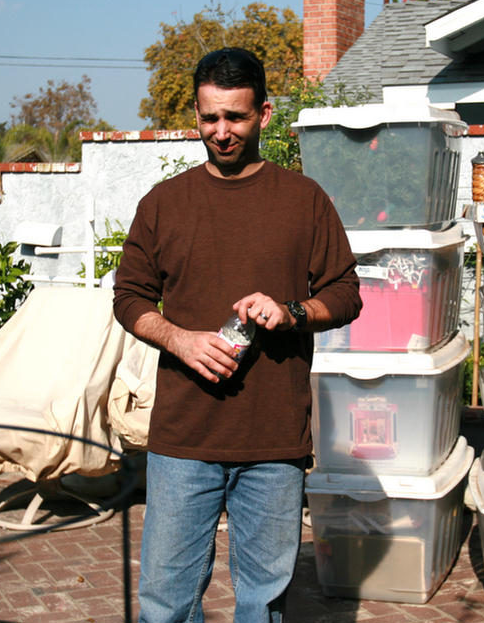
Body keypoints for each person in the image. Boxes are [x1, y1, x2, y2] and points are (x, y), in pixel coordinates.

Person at [112, 47, 361, 623]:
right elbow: (129, 297)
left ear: (265, 114)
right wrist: (179, 339)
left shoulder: (305, 201)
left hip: (273, 439)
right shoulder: (164, 204)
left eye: (236, 117)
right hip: (183, 439)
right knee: (164, 606)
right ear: (196, 115)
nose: (221, 132)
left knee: (262, 604)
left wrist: (291, 312)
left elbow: (345, 293)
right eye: (209, 118)